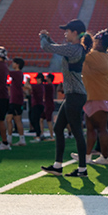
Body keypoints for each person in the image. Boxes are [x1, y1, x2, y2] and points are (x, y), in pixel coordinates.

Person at [39, 19, 90, 177]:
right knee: (58, 128)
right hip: (74, 94)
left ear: (75, 33)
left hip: (74, 95)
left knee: (77, 132)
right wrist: (48, 39)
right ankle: (58, 166)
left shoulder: (73, 48)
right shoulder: (75, 48)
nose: (65, 33)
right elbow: (57, 48)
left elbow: (47, 47)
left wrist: (42, 37)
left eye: (67, 30)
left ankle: (82, 169)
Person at [80, 28, 108, 165]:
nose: (94, 43)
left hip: (98, 96)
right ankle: (88, 156)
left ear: (99, 43)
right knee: (93, 128)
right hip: (98, 95)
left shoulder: (94, 56)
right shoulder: (105, 56)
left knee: (100, 128)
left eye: (96, 40)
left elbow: (80, 54)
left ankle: (105, 158)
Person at [6, 57, 27, 146]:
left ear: (17, 64)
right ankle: (19, 139)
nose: (12, 64)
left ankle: (10, 139)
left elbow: (6, 71)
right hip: (17, 100)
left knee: (10, 119)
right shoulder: (19, 73)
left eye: (13, 63)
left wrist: (3, 62)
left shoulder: (17, 73)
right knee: (16, 120)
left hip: (15, 100)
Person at [28, 73, 45, 142]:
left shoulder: (38, 86)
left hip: (37, 105)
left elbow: (28, 86)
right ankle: (39, 134)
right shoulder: (41, 86)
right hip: (37, 105)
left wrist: (27, 81)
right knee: (34, 120)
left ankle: (38, 135)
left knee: (35, 120)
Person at [42, 73, 55, 140]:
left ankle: (52, 135)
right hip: (47, 105)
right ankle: (42, 134)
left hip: (48, 105)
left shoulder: (49, 86)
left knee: (49, 120)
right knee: (41, 119)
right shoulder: (50, 86)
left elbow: (42, 86)